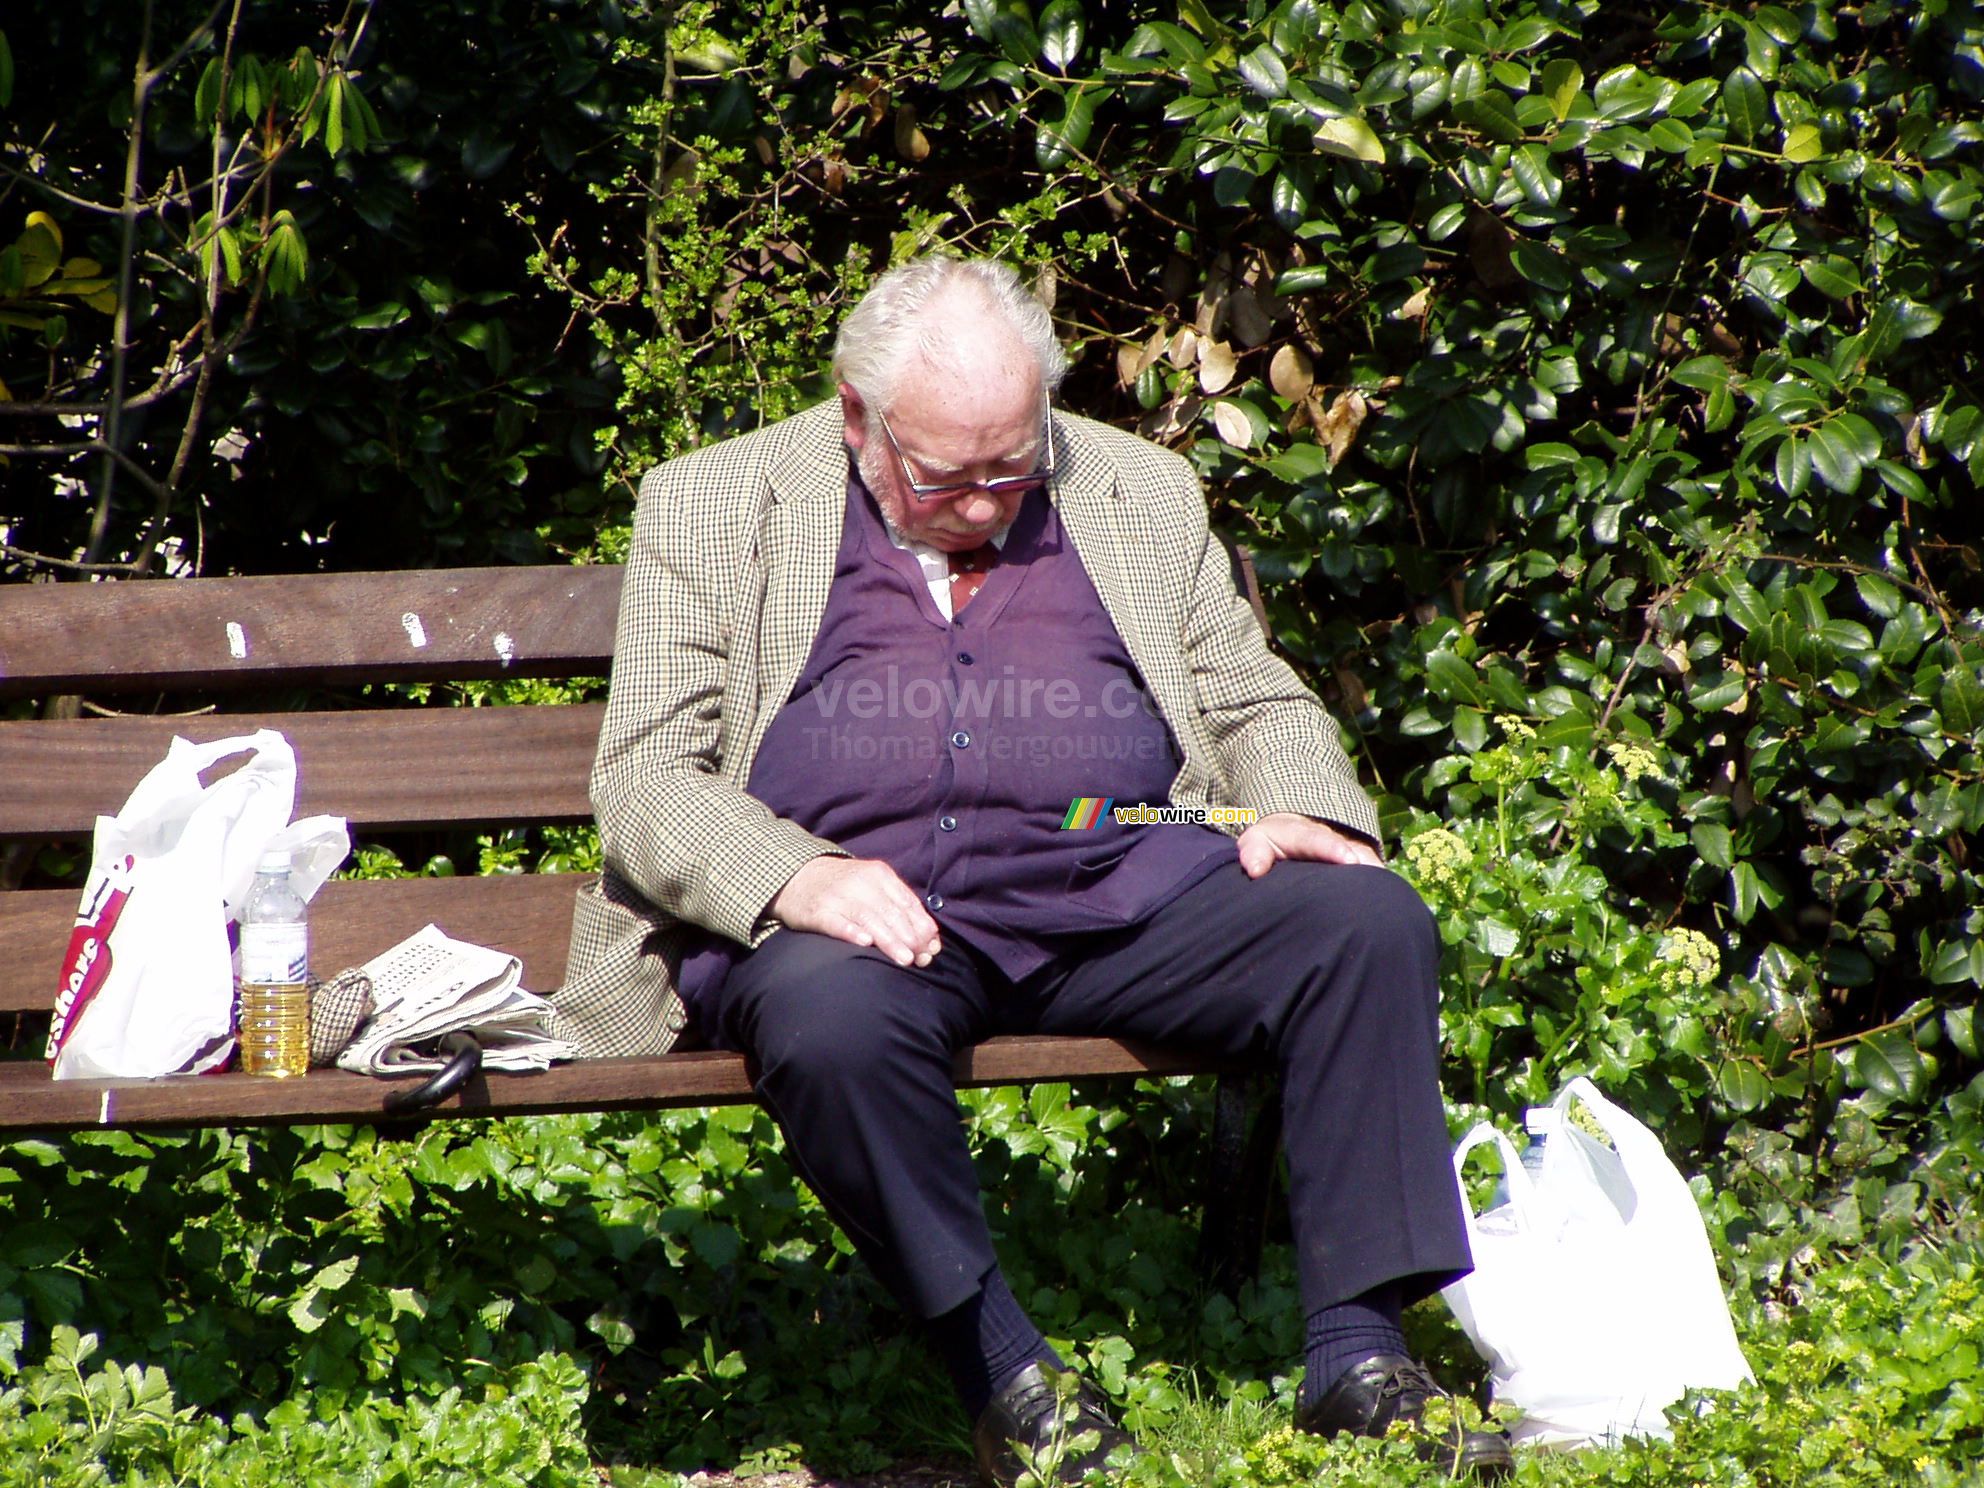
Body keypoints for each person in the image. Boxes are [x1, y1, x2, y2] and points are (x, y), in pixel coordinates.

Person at [553, 255, 1512, 1483]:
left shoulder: (1137, 490)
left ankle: (1359, 1362)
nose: (989, 504)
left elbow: (1248, 689)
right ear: (858, 415)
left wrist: (1302, 809)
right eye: (948, 476)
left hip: (1116, 889)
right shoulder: (716, 503)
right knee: (828, 1019)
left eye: (1015, 465)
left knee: (1360, 922)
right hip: (864, 925)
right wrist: (792, 878)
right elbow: (644, 776)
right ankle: (1008, 1377)